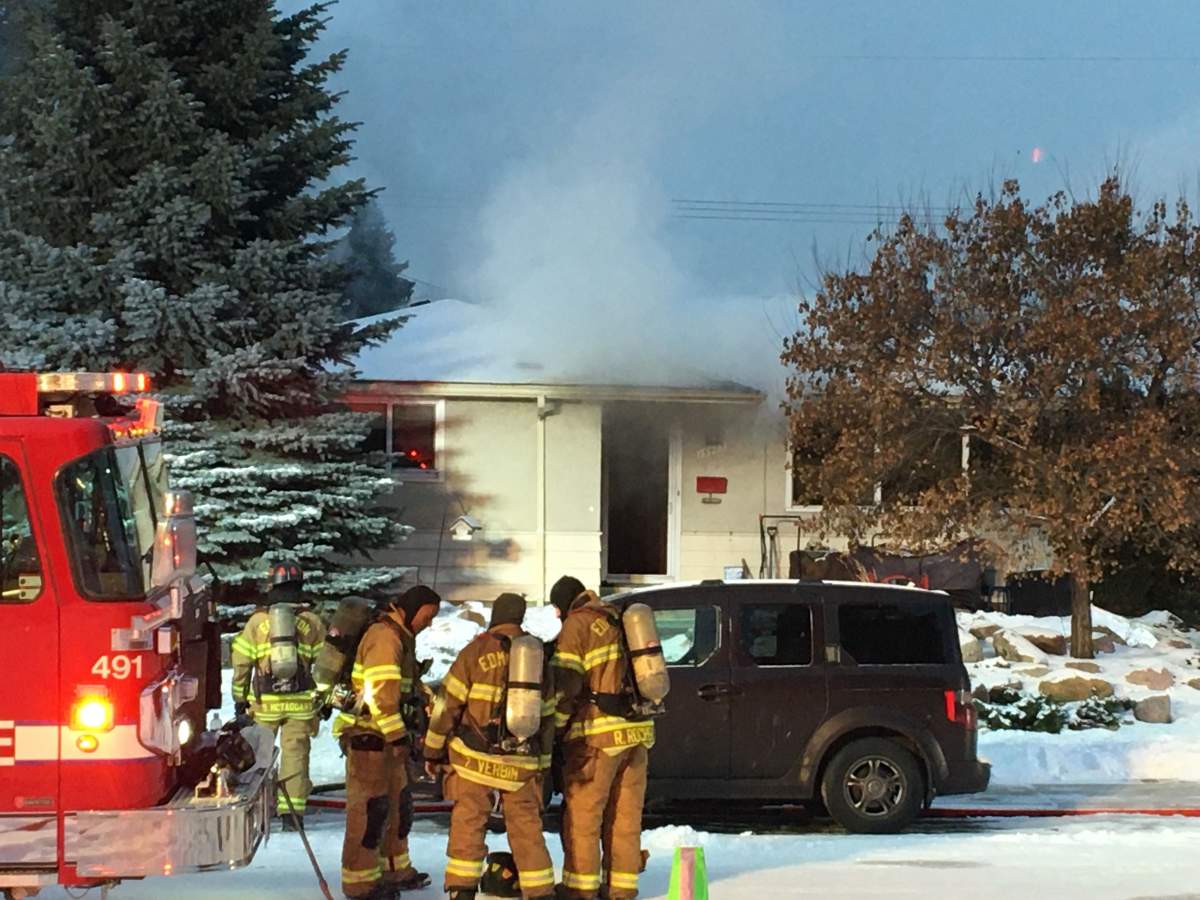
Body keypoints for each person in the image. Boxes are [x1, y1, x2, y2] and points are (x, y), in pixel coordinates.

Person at [423, 593, 556, 900]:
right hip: (520, 764)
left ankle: (462, 890)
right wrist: (543, 763)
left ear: (496, 616)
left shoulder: (475, 651)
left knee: (469, 822)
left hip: (474, 761)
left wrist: (433, 750)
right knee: (526, 829)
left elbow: (447, 707)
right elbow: (547, 717)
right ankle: (541, 892)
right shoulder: (538, 657)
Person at [334, 584, 442, 900]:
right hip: (370, 737)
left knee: (397, 807)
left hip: (389, 739)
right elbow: (382, 697)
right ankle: (360, 883)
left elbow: (402, 687)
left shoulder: (400, 637)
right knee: (370, 812)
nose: (430, 623)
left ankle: (395, 870)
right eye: (428, 615)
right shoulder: (385, 638)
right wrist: (398, 736)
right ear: (412, 609)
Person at [552, 590, 655, 900]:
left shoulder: (578, 624)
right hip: (637, 735)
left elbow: (567, 684)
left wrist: (555, 726)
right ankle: (622, 889)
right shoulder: (621, 619)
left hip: (597, 737)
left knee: (584, 818)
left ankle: (580, 890)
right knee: (625, 818)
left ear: (565, 605)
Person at [230, 563, 325, 827]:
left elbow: (241, 664)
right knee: (296, 754)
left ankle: (257, 810)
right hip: (301, 704)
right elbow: (326, 666)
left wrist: (240, 698)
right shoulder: (311, 621)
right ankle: (291, 815)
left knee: (259, 756)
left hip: (265, 704)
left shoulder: (258, 622)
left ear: (272, 585)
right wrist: (324, 700)